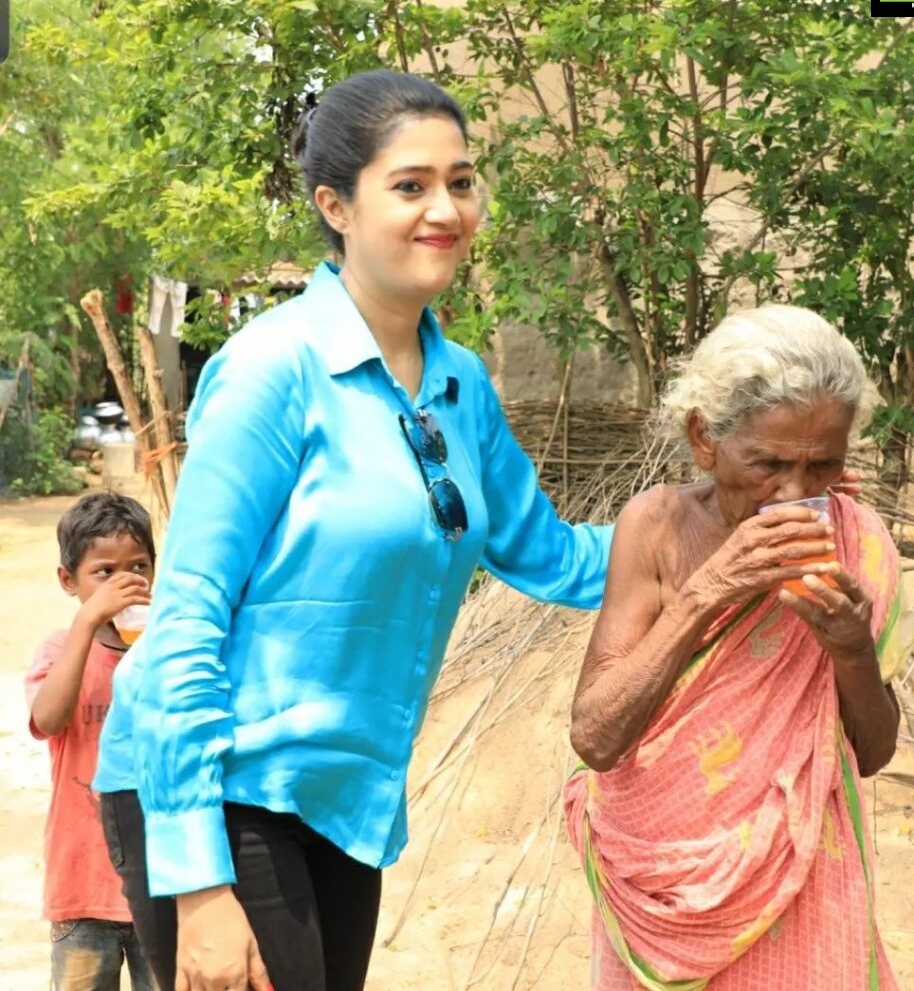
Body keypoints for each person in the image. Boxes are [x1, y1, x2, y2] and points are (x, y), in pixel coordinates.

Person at [92, 70, 613, 991]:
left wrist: (713, 522)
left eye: (460, 181)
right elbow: (187, 616)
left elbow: (554, 556)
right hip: (217, 782)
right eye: (409, 185)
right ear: (336, 204)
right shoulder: (272, 371)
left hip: (343, 799)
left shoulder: (460, 387)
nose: (444, 209)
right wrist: (198, 881)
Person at [565, 305, 914, 991]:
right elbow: (595, 736)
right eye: (769, 464)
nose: (796, 492)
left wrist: (850, 650)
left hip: (799, 871)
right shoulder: (659, 527)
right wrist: (710, 590)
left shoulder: (855, 538)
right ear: (705, 438)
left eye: (823, 466)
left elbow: (871, 754)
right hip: (658, 886)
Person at [25, 491, 156, 991]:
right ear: (68, 580)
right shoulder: (61, 649)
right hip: (81, 887)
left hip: (159, 881)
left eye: (139, 566)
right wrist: (87, 622)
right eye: (104, 572)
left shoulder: (166, 649)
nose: (125, 582)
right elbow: (49, 718)